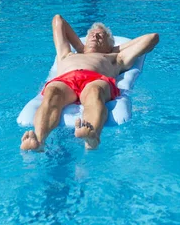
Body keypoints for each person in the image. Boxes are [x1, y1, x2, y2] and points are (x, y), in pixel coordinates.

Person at [20, 14, 159, 151]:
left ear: (109, 45)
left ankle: (92, 138)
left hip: (96, 80)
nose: (94, 36)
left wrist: (115, 49)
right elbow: (58, 20)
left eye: (100, 36)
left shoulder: (116, 58)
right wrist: (81, 47)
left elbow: (152, 38)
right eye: (92, 34)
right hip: (66, 80)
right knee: (52, 92)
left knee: (95, 92)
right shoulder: (66, 54)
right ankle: (39, 141)